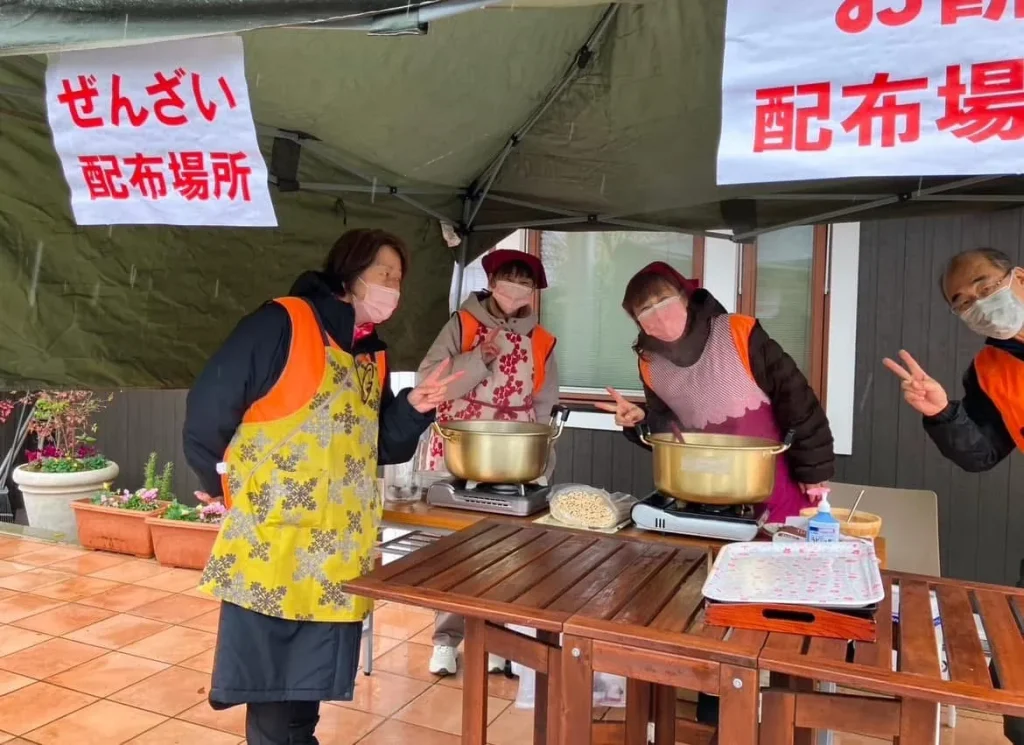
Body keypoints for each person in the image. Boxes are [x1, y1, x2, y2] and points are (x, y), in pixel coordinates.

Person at [183, 228, 461, 745]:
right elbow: (209, 409)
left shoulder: (369, 354)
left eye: (399, 280)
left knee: (303, 695)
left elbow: (375, 445)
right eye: (384, 275)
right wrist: (218, 482)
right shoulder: (282, 323)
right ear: (350, 274)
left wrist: (413, 407)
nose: (393, 289)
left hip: (337, 552)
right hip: (278, 547)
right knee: (273, 692)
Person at [882, 246, 1024, 745]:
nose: (979, 305)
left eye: (986, 288)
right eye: (963, 302)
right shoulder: (990, 369)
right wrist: (943, 413)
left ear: (1019, 279)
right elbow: (981, 453)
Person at [597, 261, 834, 523]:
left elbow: (797, 401)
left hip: (774, 479)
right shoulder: (651, 363)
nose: (659, 314)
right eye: (645, 308)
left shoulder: (738, 332)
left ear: (684, 297)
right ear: (637, 321)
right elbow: (670, 432)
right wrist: (640, 420)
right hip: (705, 491)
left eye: (663, 299)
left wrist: (812, 470)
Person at [414, 248, 559, 676]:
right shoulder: (462, 325)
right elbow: (429, 381)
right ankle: (446, 639)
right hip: (461, 446)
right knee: (453, 548)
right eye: (508, 280)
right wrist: (481, 357)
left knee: (506, 549)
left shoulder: (542, 340)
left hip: (513, 455)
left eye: (525, 283)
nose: (516, 289)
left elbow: (545, 404)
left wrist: (543, 464)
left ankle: (497, 638)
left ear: (533, 292)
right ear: (492, 284)